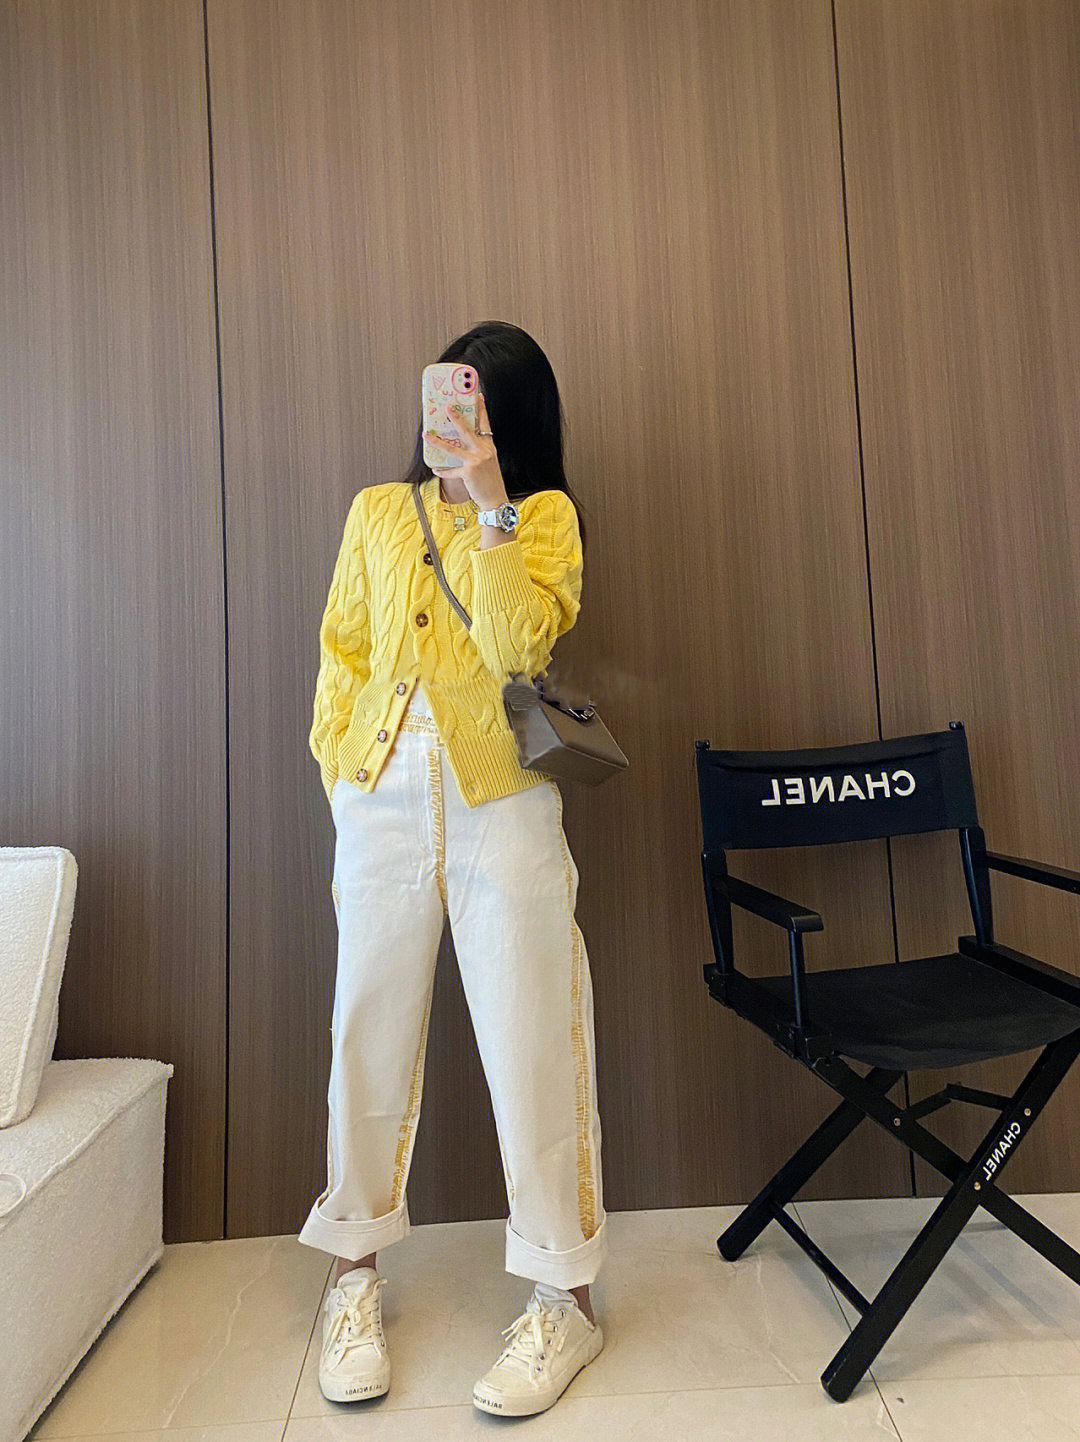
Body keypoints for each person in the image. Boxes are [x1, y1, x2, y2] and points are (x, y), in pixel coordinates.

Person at [298, 321, 607, 1416]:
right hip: (380, 792)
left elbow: (521, 646)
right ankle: (351, 1276)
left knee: (533, 1033)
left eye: (481, 407)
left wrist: (489, 504)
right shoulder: (376, 513)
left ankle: (564, 1299)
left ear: (509, 420)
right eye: (449, 400)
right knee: (366, 1030)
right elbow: (342, 648)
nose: (458, 421)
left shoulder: (542, 518)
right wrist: (342, 773)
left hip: (501, 799)